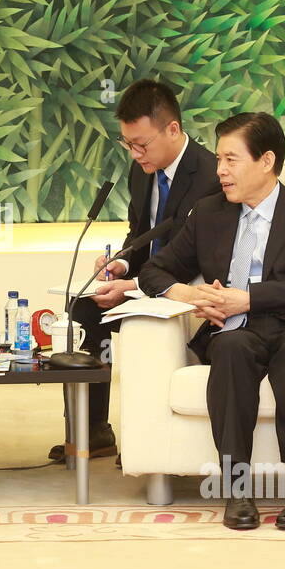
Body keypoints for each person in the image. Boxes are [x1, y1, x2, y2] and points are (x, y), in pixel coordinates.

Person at [139, 112, 285, 531]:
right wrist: (189, 294)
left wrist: (249, 298)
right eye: (219, 159)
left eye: (230, 159)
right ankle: (237, 489)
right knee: (230, 348)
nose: (219, 170)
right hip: (239, 332)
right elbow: (155, 271)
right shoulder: (208, 214)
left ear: (266, 161)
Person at [50, 79, 220, 462]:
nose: (135, 153)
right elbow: (142, 233)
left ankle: (149, 439)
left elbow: (193, 256)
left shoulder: (210, 175)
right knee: (82, 309)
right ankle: (91, 430)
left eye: (141, 144)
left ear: (172, 129)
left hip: (187, 288)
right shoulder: (141, 171)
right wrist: (121, 263)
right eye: (128, 144)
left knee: (142, 325)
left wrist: (135, 285)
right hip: (145, 279)